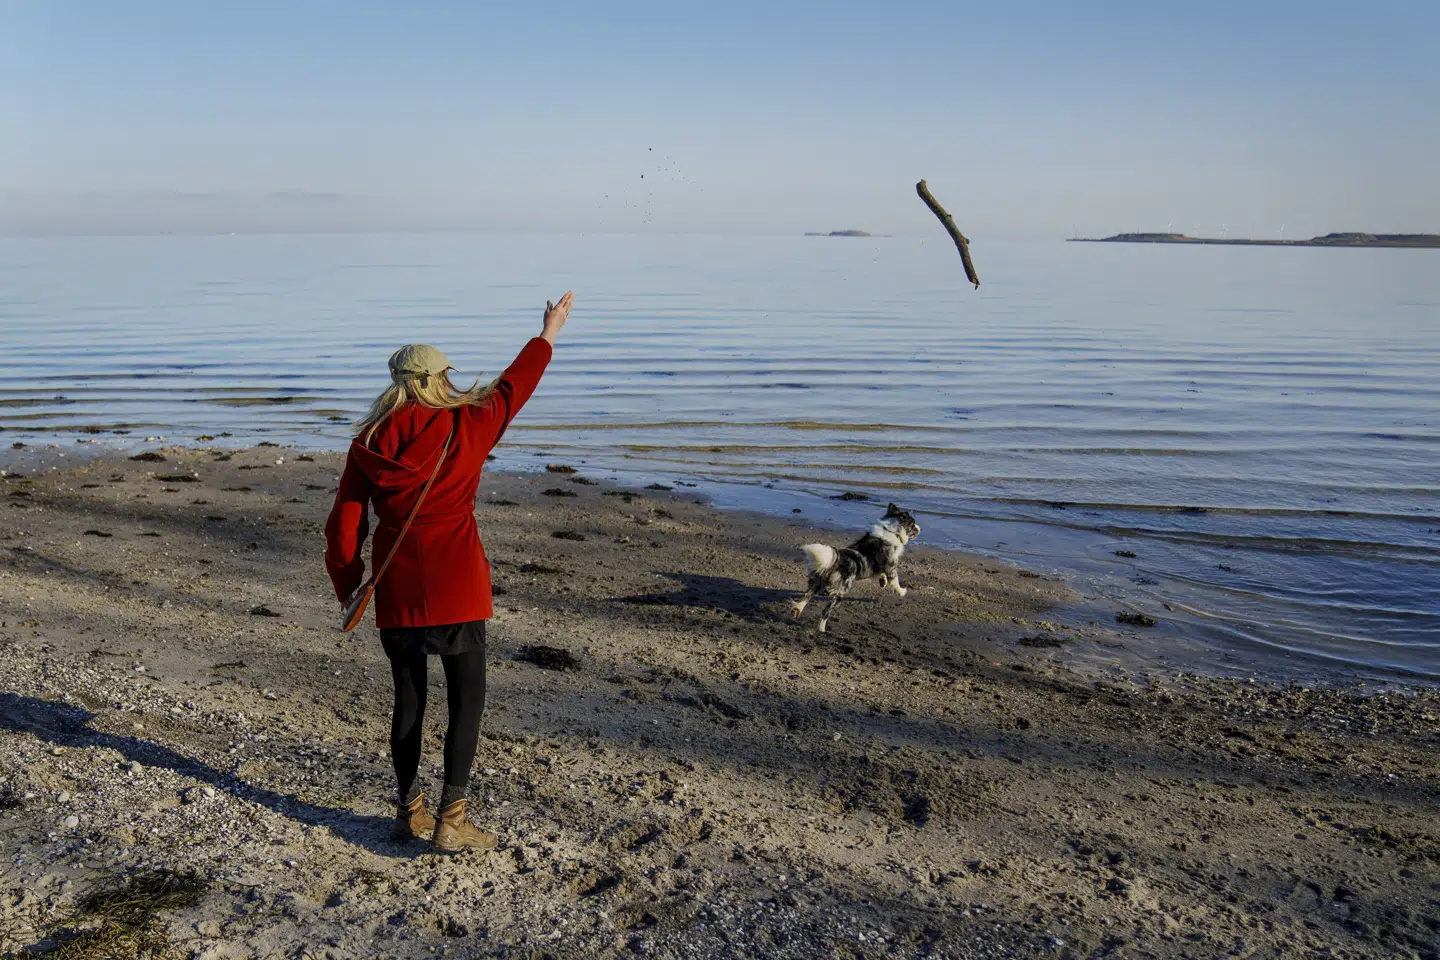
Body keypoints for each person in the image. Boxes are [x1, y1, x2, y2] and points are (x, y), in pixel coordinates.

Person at [324, 292, 573, 852]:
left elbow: (342, 528)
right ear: (436, 380)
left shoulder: (366, 443)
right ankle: (451, 820)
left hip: (398, 591)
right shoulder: (469, 424)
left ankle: (408, 812)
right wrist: (549, 332)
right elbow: (516, 387)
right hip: (458, 585)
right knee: (467, 702)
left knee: (408, 700)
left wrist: (347, 584)